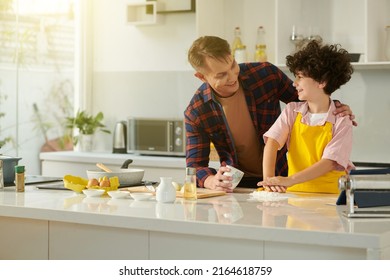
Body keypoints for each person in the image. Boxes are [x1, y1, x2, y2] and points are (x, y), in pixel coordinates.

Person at [184, 36, 354, 192]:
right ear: (202, 77)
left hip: (284, 179)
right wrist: (211, 181)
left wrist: (336, 108)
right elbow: (194, 166)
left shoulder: (265, 75)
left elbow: (309, 99)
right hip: (238, 185)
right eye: (221, 74)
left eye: (233, 65)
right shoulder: (196, 112)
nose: (233, 77)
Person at [257, 40, 355, 194]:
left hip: (331, 197)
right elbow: (272, 142)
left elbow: (329, 162)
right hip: (295, 195)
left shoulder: (342, 119)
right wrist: (269, 180)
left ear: (322, 81)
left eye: (300, 77)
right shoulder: (292, 111)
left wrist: (288, 180)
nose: (294, 83)